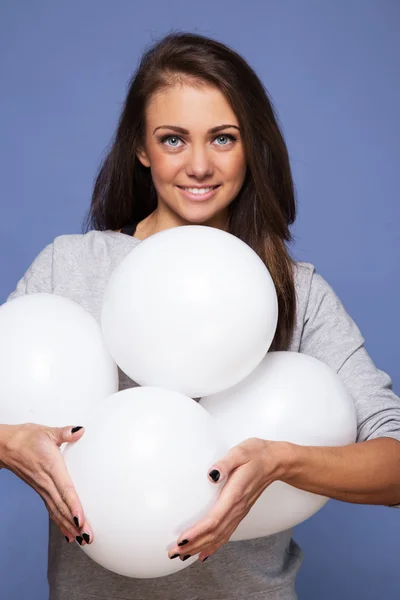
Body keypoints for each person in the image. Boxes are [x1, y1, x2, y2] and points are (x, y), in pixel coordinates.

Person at [1, 31, 399, 600]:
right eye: (172, 139)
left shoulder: (294, 288)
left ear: (250, 146)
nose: (199, 165)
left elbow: (394, 464)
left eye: (222, 138)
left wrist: (280, 461)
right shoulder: (72, 268)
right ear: (141, 148)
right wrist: (9, 443)